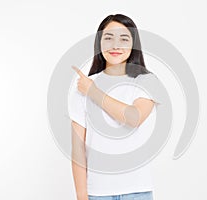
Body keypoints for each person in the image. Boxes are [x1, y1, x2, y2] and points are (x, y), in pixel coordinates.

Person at [68, 14, 162, 200]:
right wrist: (81, 196)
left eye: (124, 38)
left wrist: (93, 92)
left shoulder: (147, 81)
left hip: (138, 191)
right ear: (99, 43)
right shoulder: (83, 86)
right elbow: (78, 149)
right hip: (97, 193)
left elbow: (133, 118)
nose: (116, 45)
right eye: (109, 38)